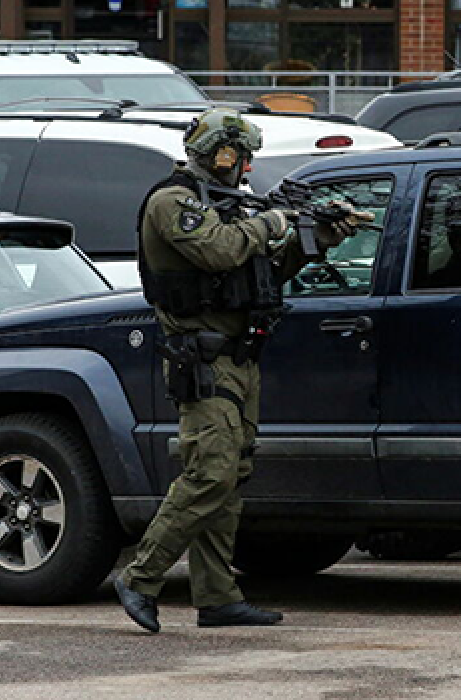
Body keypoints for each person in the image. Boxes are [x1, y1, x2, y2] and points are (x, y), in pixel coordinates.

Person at [114, 107, 372, 633]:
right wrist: (270, 221)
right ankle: (140, 577)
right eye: (241, 156)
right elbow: (218, 251)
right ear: (221, 154)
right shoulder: (174, 202)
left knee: (231, 478)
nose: (247, 167)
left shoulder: (227, 206)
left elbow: (264, 274)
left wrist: (317, 238)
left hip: (239, 358)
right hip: (204, 360)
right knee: (208, 474)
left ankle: (217, 595)